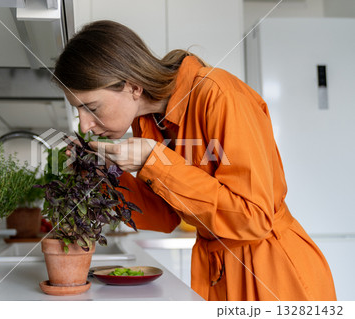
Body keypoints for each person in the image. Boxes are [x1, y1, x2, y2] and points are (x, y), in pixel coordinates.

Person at [53, 20, 336, 301]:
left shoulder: (219, 94)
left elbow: (254, 218)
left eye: (90, 108)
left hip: (273, 274)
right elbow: (164, 217)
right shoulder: (149, 123)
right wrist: (104, 174)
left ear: (132, 87)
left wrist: (156, 162)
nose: (85, 124)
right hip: (220, 272)